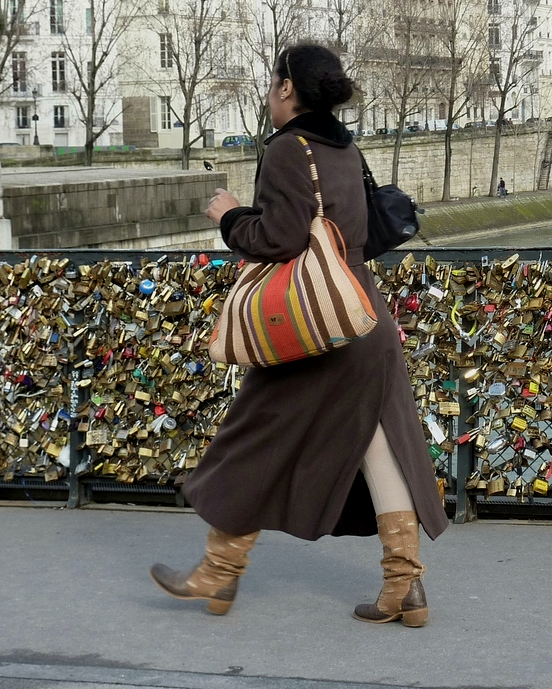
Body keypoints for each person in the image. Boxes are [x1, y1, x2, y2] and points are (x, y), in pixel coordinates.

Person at [149, 43, 447, 626]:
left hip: (318, 326)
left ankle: (218, 572)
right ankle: (405, 588)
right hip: (364, 316)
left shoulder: (289, 149)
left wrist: (230, 216)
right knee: (377, 444)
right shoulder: (345, 145)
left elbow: (281, 239)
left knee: (257, 436)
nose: (267, 95)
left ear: (288, 88)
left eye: (271, 84)